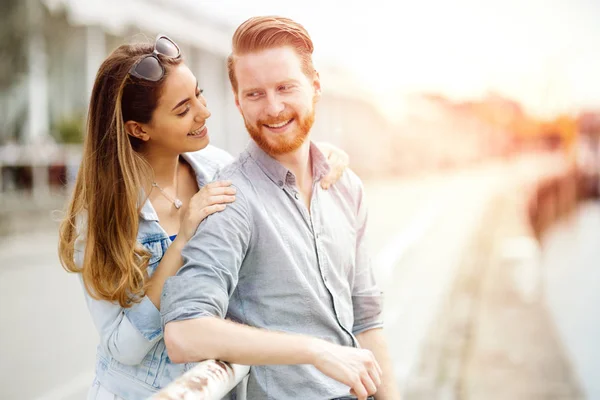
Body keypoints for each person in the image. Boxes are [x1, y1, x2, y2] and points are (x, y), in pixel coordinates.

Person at [57, 34, 350, 400]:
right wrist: (183, 240)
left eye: (199, 93)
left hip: (216, 387)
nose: (204, 112)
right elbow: (123, 346)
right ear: (139, 129)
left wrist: (320, 154)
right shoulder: (100, 217)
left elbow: (276, 177)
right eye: (183, 110)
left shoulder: (217, 167)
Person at [161, 16, 401, 400]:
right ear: (237, 101)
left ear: (315, 85)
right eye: (255, 94)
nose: (273, 108)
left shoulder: (346, 187)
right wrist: (314, 350)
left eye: (285, 87)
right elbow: (184, 332)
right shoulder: (230, 200)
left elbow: (368, 320)